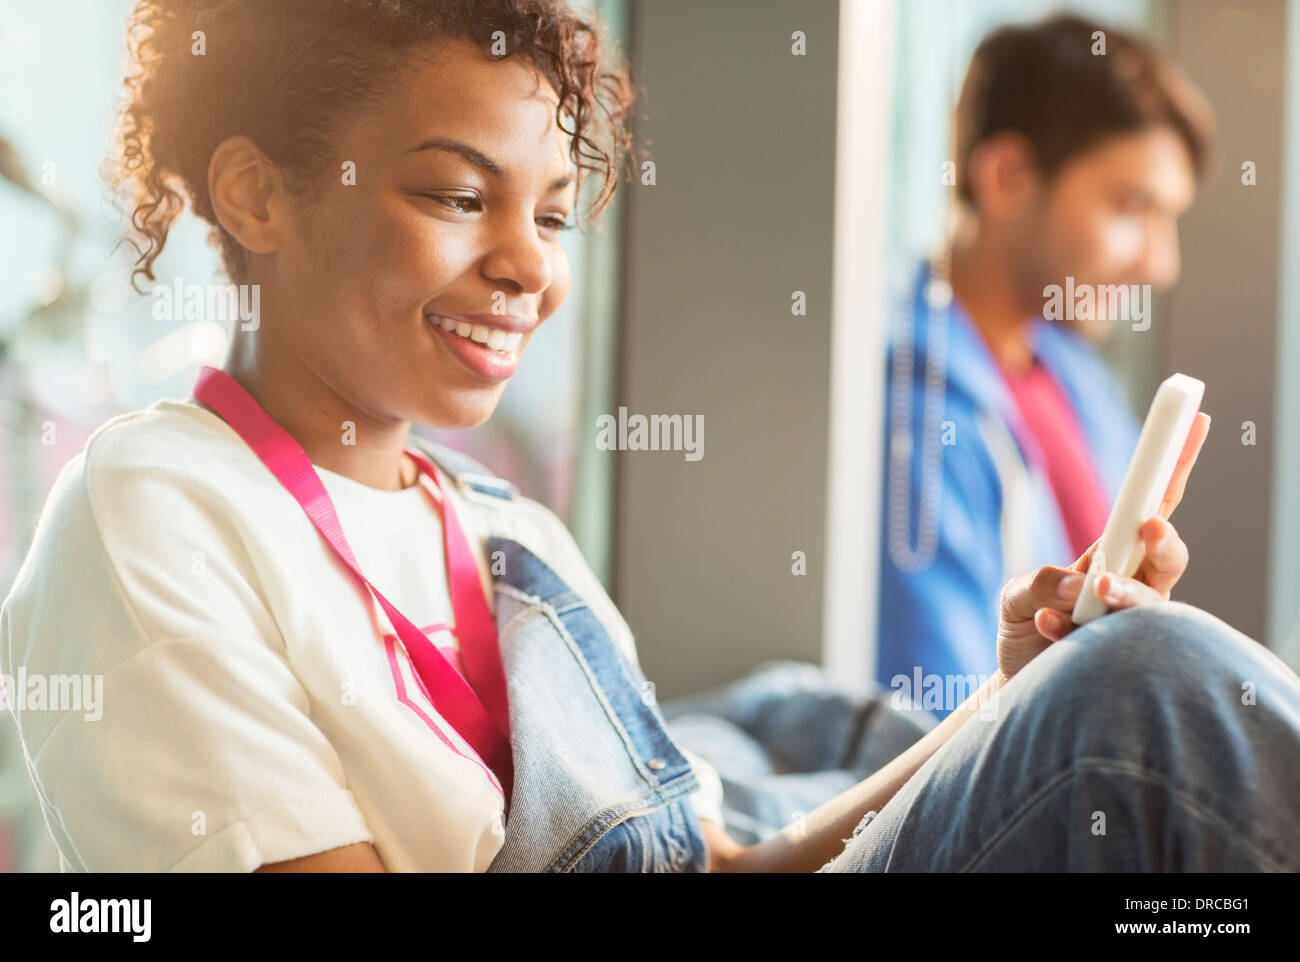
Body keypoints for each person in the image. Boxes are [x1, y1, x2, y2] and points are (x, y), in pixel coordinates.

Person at [1, 0, 1297, 873]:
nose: (527, 270)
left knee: (1104, 688)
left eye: (555, 217)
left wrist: (1013, 705)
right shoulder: (157, 510)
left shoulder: (504, 530)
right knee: (1153, 696)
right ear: (257, 194)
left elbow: (723, 862)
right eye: (458, 195)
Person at [877, 14, 1217, 716]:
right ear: (1007, 176)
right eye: (1132, 206)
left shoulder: (1070, 375)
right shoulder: (911, 410)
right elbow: (926, 728)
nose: (1162, 263)